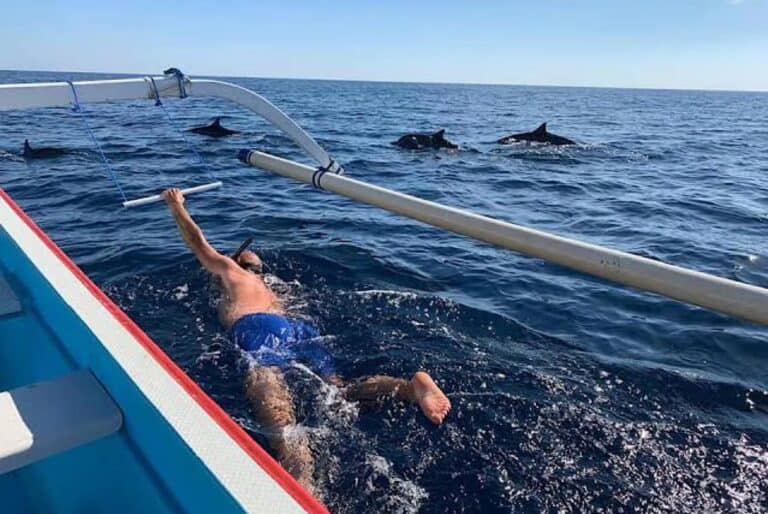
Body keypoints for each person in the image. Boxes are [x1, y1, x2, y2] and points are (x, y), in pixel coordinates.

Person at [162, 188, 451, 492]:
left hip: (257, 328)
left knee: (275, 405)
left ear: (237, 263)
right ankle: (407, 388)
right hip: (300, 330)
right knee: (339, 392)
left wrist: (176, 205)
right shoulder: (272, 289)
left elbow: (198, 244)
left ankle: (301, 482)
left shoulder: (232, 272)